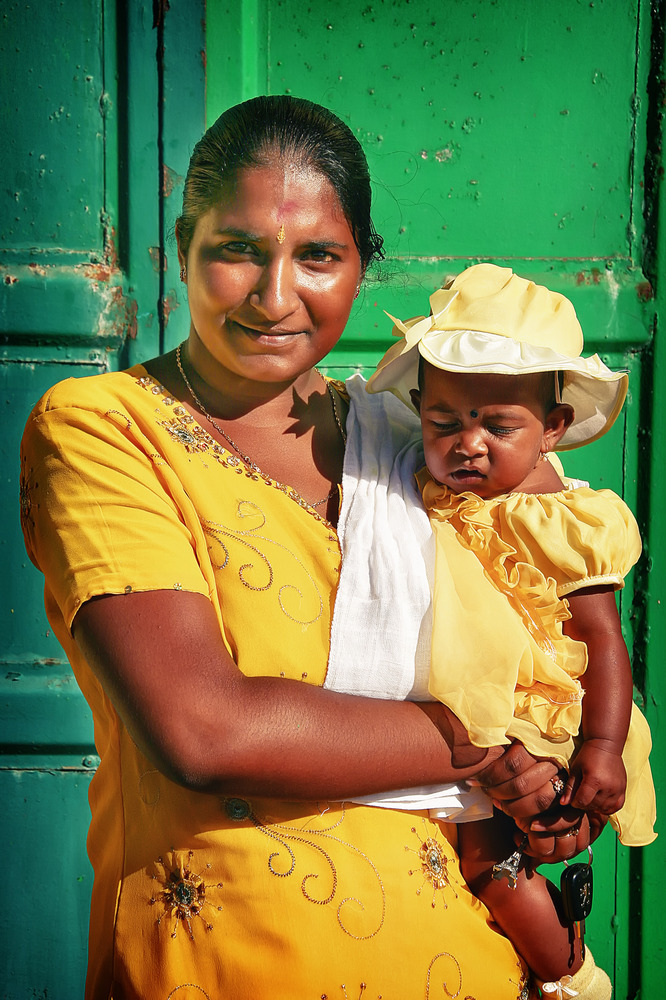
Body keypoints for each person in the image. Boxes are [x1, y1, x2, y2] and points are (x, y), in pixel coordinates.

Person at [20, 98, 587, 1000]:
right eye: (238, 248)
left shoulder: (421, 447)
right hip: (227, 959)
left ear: (363, 262)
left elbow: (535, 657)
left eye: (318, 255)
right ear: (181, 246)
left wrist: (552, 786)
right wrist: (492, 749)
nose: (276, 295)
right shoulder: (105, 433)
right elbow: (205, 729)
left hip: (466, 959)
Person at [355, 263, 656, 998]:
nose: (469, 445)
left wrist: (604, 748)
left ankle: (570, 976)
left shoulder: (568, 521)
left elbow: (604, 641)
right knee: (470, 863)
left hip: (543, 713)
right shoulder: (425, 488)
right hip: (471, 718)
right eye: (445, 422)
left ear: (553, 427)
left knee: (496, 870)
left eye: (499, 426)